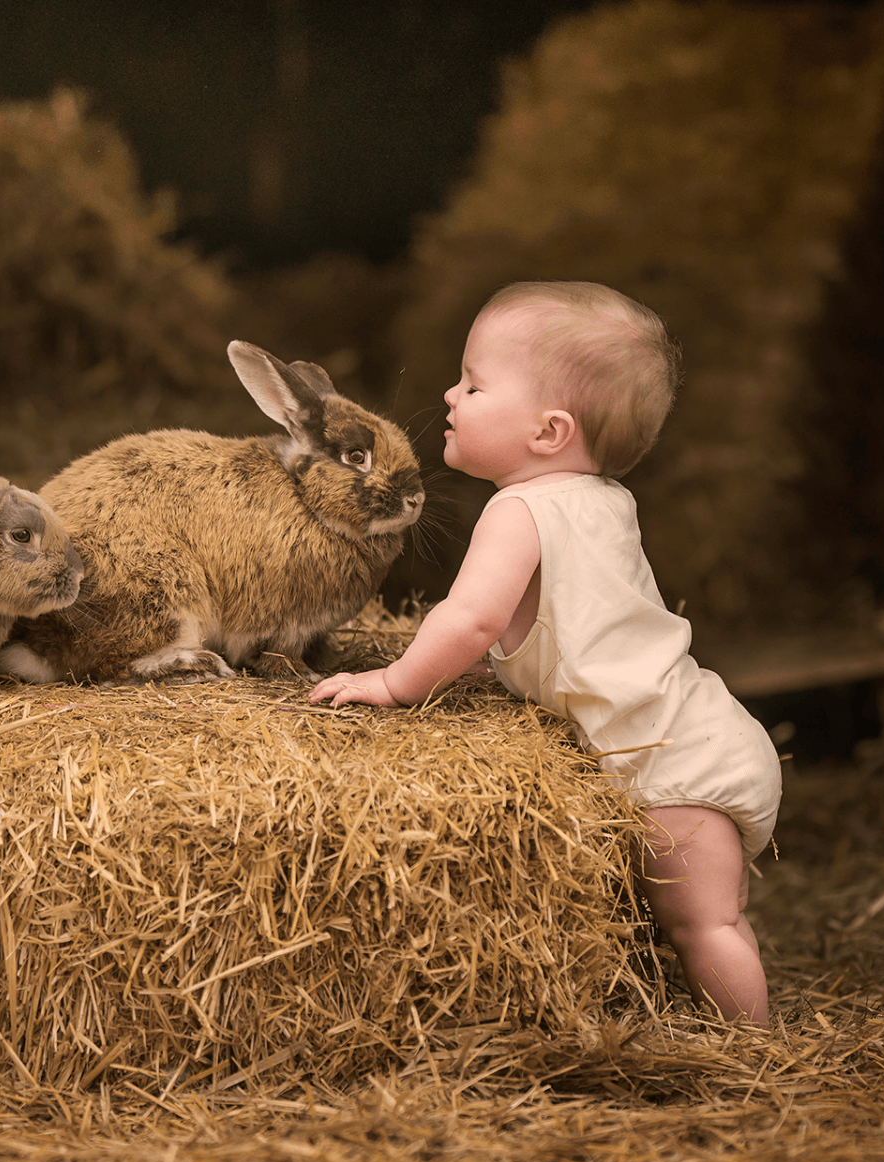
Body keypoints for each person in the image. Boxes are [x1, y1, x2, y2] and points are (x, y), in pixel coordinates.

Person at [308, 281, 781, 1025]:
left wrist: (397, 683)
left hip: (670, 768)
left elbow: (469, 621)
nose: (449, 394)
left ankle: (761, 1057)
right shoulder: (604, 500)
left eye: (474, 383)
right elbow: (540, 623)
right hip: (696, 730)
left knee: (704, 927)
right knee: (715, 922)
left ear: (548, 432)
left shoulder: (518, 511)